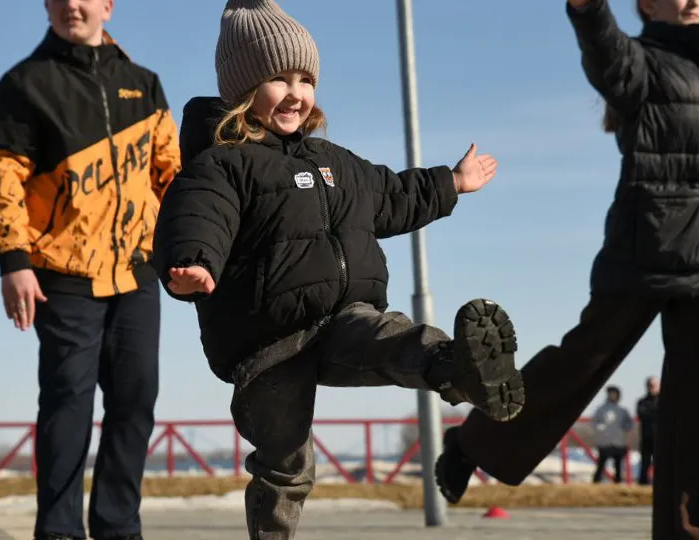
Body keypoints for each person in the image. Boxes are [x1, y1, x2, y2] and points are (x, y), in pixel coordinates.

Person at [151, 1, 524, 538]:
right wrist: (192, 264)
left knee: (394, 337)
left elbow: (394, 193)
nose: (297, 93)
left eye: (306, 79)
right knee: (287, 462)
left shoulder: (335, 163)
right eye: (279, 78)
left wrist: (452, 182)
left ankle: (462, 367)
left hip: (343, 317)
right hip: (268, 343)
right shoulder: (222, 164)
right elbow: (196, 217)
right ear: (241, 89)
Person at [433, 0, 699, 537]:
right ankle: (471, 443)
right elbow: (601, 44)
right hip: (645, 247)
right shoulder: (637, 63)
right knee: (582, 363)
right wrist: (586, 9)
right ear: (648, 4)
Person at [0, 0, 181, 538]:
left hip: (137, 270)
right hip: (62, 272)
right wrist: (13, 261)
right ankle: (60, 531)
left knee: (136, 401)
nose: (74, 4)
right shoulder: (25, 83)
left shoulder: (146, 83)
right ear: (47, 6)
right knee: (68, 401)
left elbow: (172, 177)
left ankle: (119, 527)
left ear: (107, 6)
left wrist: (186, 250)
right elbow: (4, 178)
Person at [591, 386, 633, 483]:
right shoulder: (601, 409)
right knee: (601, 464)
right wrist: (600, 428)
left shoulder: (622, 410)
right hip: (605, 442)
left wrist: (625, 428)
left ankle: (617, 482)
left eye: (615, 394)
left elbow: (629, 423)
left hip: (619, 441)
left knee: (618, 465)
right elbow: (595, 422)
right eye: (611, 394)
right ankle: (596, 482)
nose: (613, 396)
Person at [636, 376, 659, 485]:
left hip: (660, 438)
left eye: (654, 385)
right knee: (645, 463)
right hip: (646, 437)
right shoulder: (642, 402)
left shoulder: (665, 401)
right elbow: (642, 415)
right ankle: (643, 484)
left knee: (660, 463)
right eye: (650, 385)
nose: (652, 388)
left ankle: (660, 485)